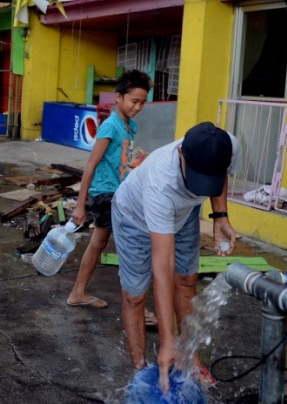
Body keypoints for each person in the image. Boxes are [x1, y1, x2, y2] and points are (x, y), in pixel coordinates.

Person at [112, 121, 239, 392]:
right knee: (135, 294)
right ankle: (141, 369)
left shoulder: (228, 145)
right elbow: (162, 265)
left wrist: (220, 216)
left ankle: (188, 356)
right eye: (197, 178)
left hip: (185, 212)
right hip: (133, 218)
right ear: (180, 153)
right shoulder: (161, 182)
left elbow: (221, 174)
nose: (202, 188)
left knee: (186, 279)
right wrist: (166, 339)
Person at [67, 70, 156, 322]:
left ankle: (78, 292)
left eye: (142, 102)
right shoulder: (111, 125)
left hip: (119, 193)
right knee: (134, 247)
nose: (138, 107)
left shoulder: (129, 125)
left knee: (98, 244)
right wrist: (80, 206)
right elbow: (91, 165)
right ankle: (139, 309)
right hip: (107, 194)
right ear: (118, 97)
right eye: (134, 101)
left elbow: (125, 158)